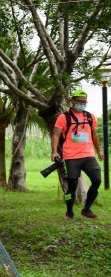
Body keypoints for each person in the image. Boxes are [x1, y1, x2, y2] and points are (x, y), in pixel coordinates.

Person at [51, 90, 104, 220]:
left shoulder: (90, 117)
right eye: (79, 101)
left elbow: (94, 135)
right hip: (71, 156)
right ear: (72, 101)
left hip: (88, 155)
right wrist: (54, 152)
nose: (82, 103)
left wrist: (99, 151)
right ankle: (69, 211)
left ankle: (86, 209)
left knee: (97, 180)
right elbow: (56, 135)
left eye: (84, 102)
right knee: (72, 186)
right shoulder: (64, 117)